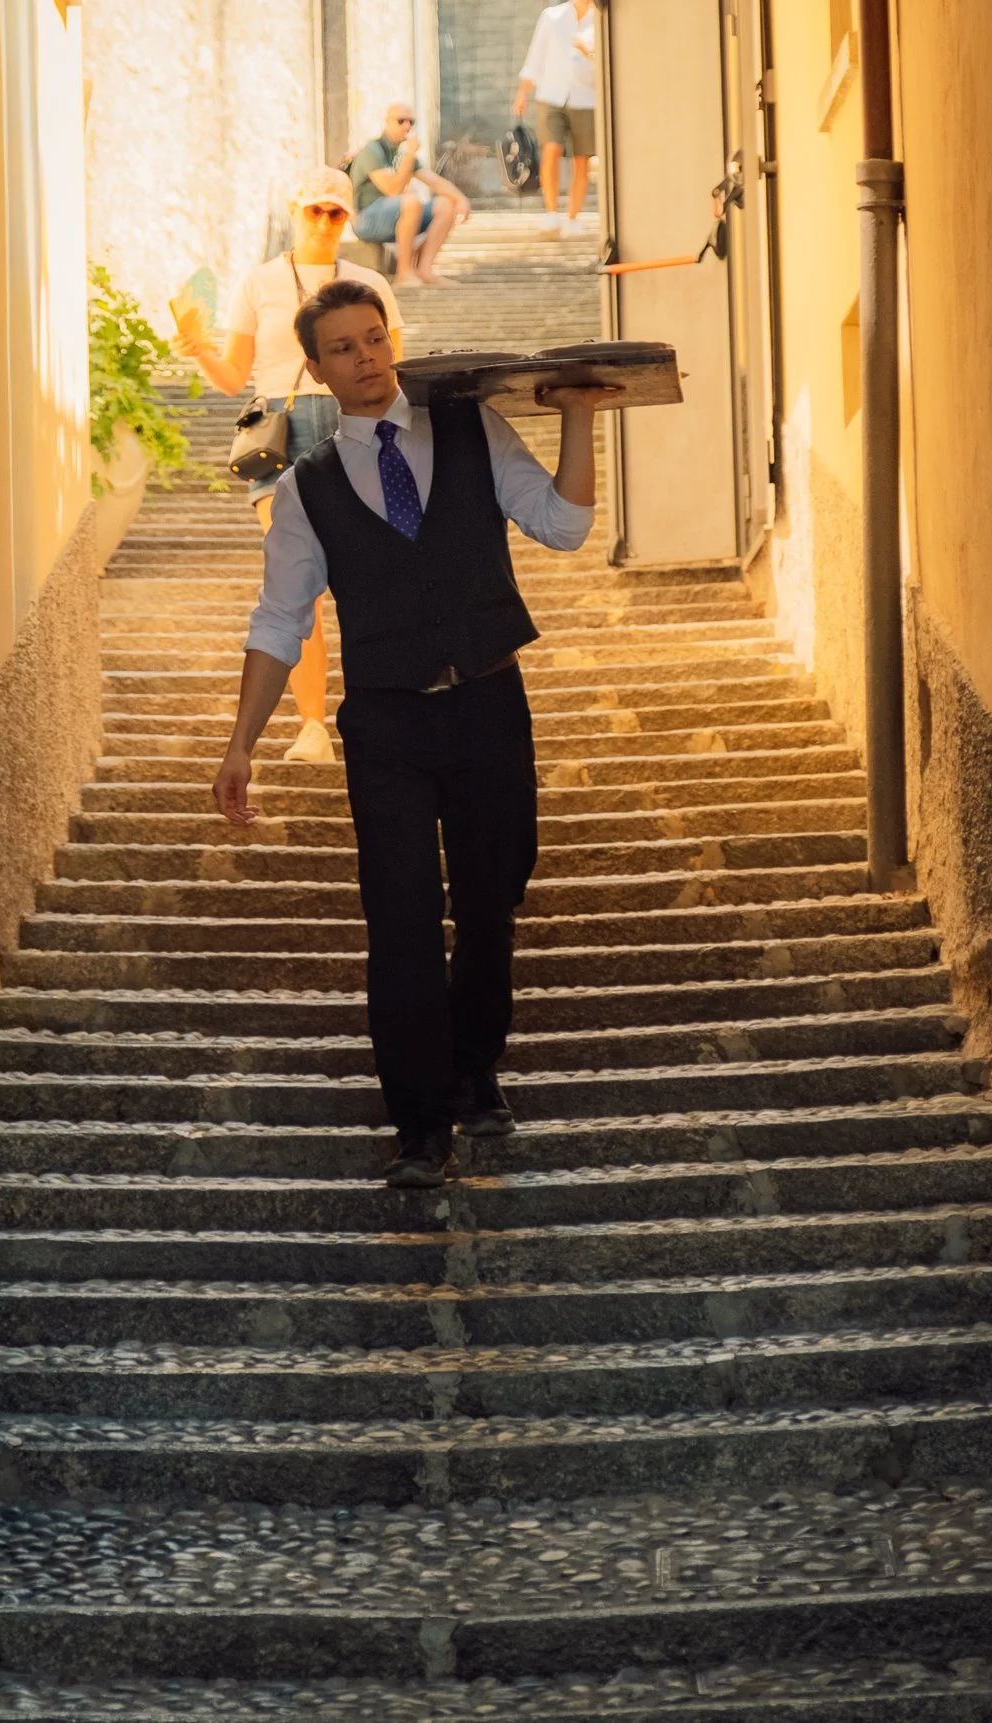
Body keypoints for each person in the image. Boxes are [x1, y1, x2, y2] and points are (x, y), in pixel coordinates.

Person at [212, 278, 617, 1188]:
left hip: (486, 701)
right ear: (314, 368)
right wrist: (240, 741)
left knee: (489, 898)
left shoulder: (472, 432)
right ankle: (419, 1124)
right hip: (387, 721)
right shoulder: (306, 489)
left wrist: (583, 421)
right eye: (343, 348)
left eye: (373, 338)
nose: (365, 358)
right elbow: (280, 622)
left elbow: (562, 526)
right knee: (398, 919)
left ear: (392, 338)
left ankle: (474, 1067)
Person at [174, 167, 403, 765]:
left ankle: (381, 709)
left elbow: (392, 371)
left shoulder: (368, 281)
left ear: (349, 218)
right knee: (298, 579)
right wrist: (198, 348)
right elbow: (233, 376)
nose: (325, 222)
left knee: (375, 571)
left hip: (354, 423)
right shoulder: (261, 282)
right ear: (294, 210)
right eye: (314, 211)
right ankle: (311, 726)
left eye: (336, 213)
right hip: (281, 425)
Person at [349, 103, 470, 287]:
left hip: (394, 216)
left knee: (445, 205)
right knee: (411, 202)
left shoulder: (402, 154)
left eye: (411, 122)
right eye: (401, 121)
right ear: (387, 122)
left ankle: (424, 270)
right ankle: (404, 272)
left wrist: (461, 199)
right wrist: (410, 154)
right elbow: (393, 190)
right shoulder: (373, 151)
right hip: (366, 219)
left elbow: (434, 182)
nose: (407, 126)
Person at [513, 0, 597, 237]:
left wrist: (587, 51)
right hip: (551, 94)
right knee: (551, 149)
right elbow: (535, 56)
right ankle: (551, 212)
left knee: (582, 160)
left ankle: (573, 218)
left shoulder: (601, 17)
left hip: (587, 98)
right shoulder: (552, 16)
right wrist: (522, 93)